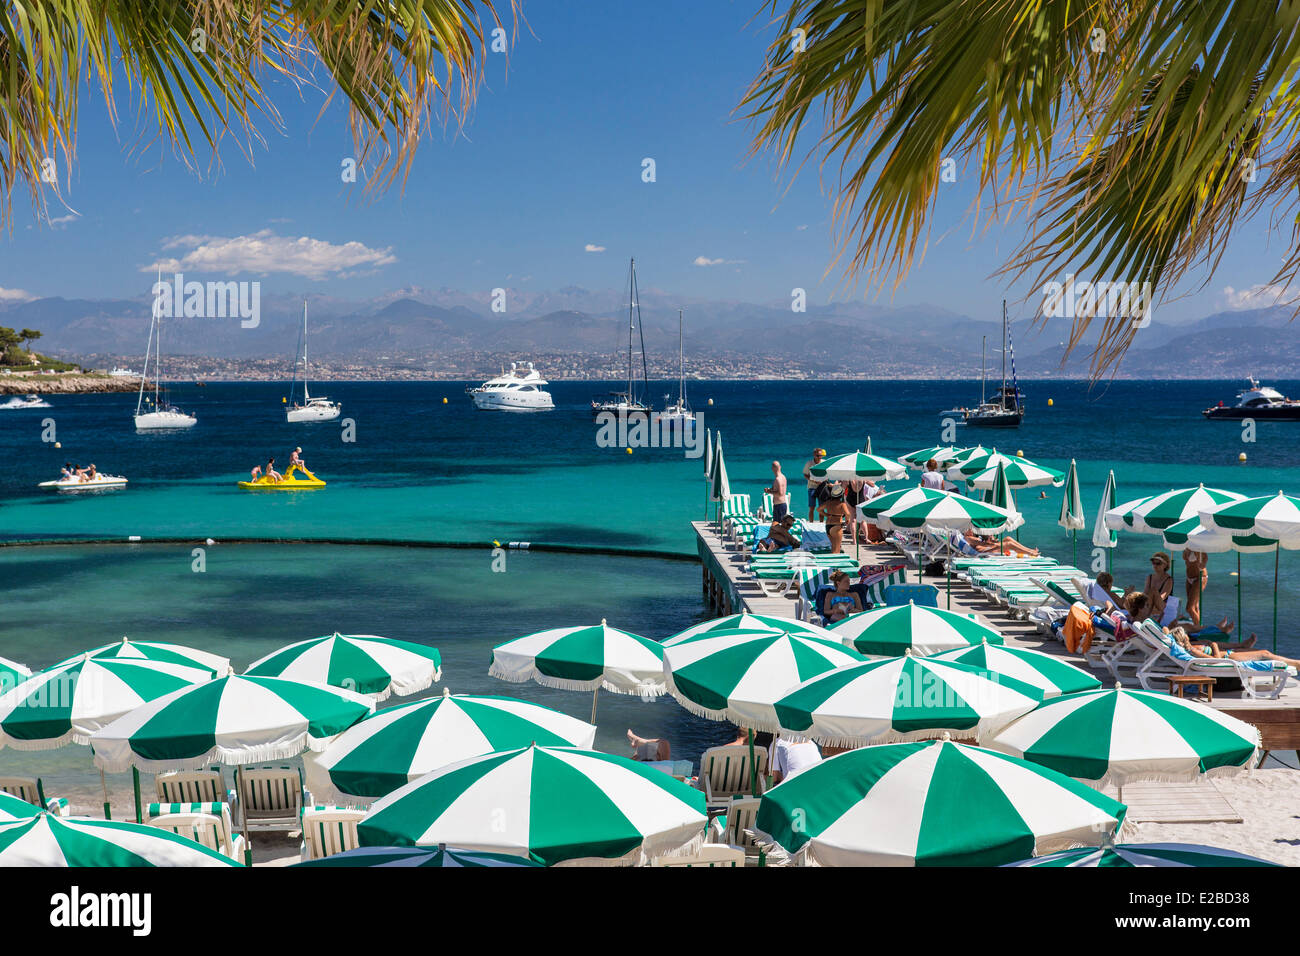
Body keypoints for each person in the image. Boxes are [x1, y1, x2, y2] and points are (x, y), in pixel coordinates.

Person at [1168, 628, 1300, 668]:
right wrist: (1214, 645)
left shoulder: (1192, 647)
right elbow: (1216, 660)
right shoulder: (1193, 650)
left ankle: (1242, 645)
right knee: (1264, 654)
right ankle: (1296, 664)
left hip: (1229, 654)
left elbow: (1166, 630)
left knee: (1264, 653)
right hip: (1229, 657)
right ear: (1184, 637)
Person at [817, 481, 853, 554]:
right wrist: (847, 520)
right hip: (836, 525)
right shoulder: (842, 504)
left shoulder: (828, 502)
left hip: (828, 526)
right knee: (837, 549)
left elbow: (818, 509)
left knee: (833, 547)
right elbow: (848, 513)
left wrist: (826, 515)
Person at [1144, 552, 1174, 623]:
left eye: (1158, 563)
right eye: (1153, 563)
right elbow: (1145, 593)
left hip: (1162, 606)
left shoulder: (1168, 579)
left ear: (1165, 565)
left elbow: (1162, 597)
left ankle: (1145, 616)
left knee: (1153, 591)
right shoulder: (1150, 577)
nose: (1155, 565)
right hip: (1151, 605)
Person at [1183, 548, 1208, 628]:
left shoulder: (1198, 546)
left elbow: (1205, 558)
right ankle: (1198, 625)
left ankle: (1200, 629)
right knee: (1195, 607)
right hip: (1189, 579)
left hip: (1199, 578)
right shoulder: (1186, 546)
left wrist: (1203, 564)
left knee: (1189, 608)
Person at [802, 448, 826, 520]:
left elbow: (828, 474)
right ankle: (811, 523)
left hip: (822, 487)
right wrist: (814, 480)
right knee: (811, 507)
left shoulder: (824, 463)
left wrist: (823, 480)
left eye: (821, 455)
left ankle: (821, 523)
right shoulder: (809, 463)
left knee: (821, 508)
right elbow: (805, 474)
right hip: (812, 487)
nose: (819, 457)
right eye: (818, 455)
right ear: (814, 455)